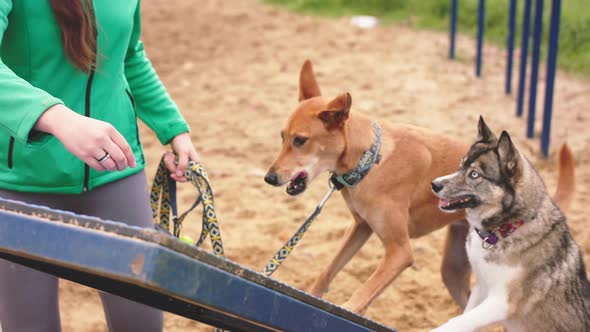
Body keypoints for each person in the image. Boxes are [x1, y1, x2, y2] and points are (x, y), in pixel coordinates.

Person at [0, 0, 199, 331]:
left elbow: (129, 56)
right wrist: (57, 118)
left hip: (116, 171)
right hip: (20, 181)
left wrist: (174, 128)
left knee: (141, 321)